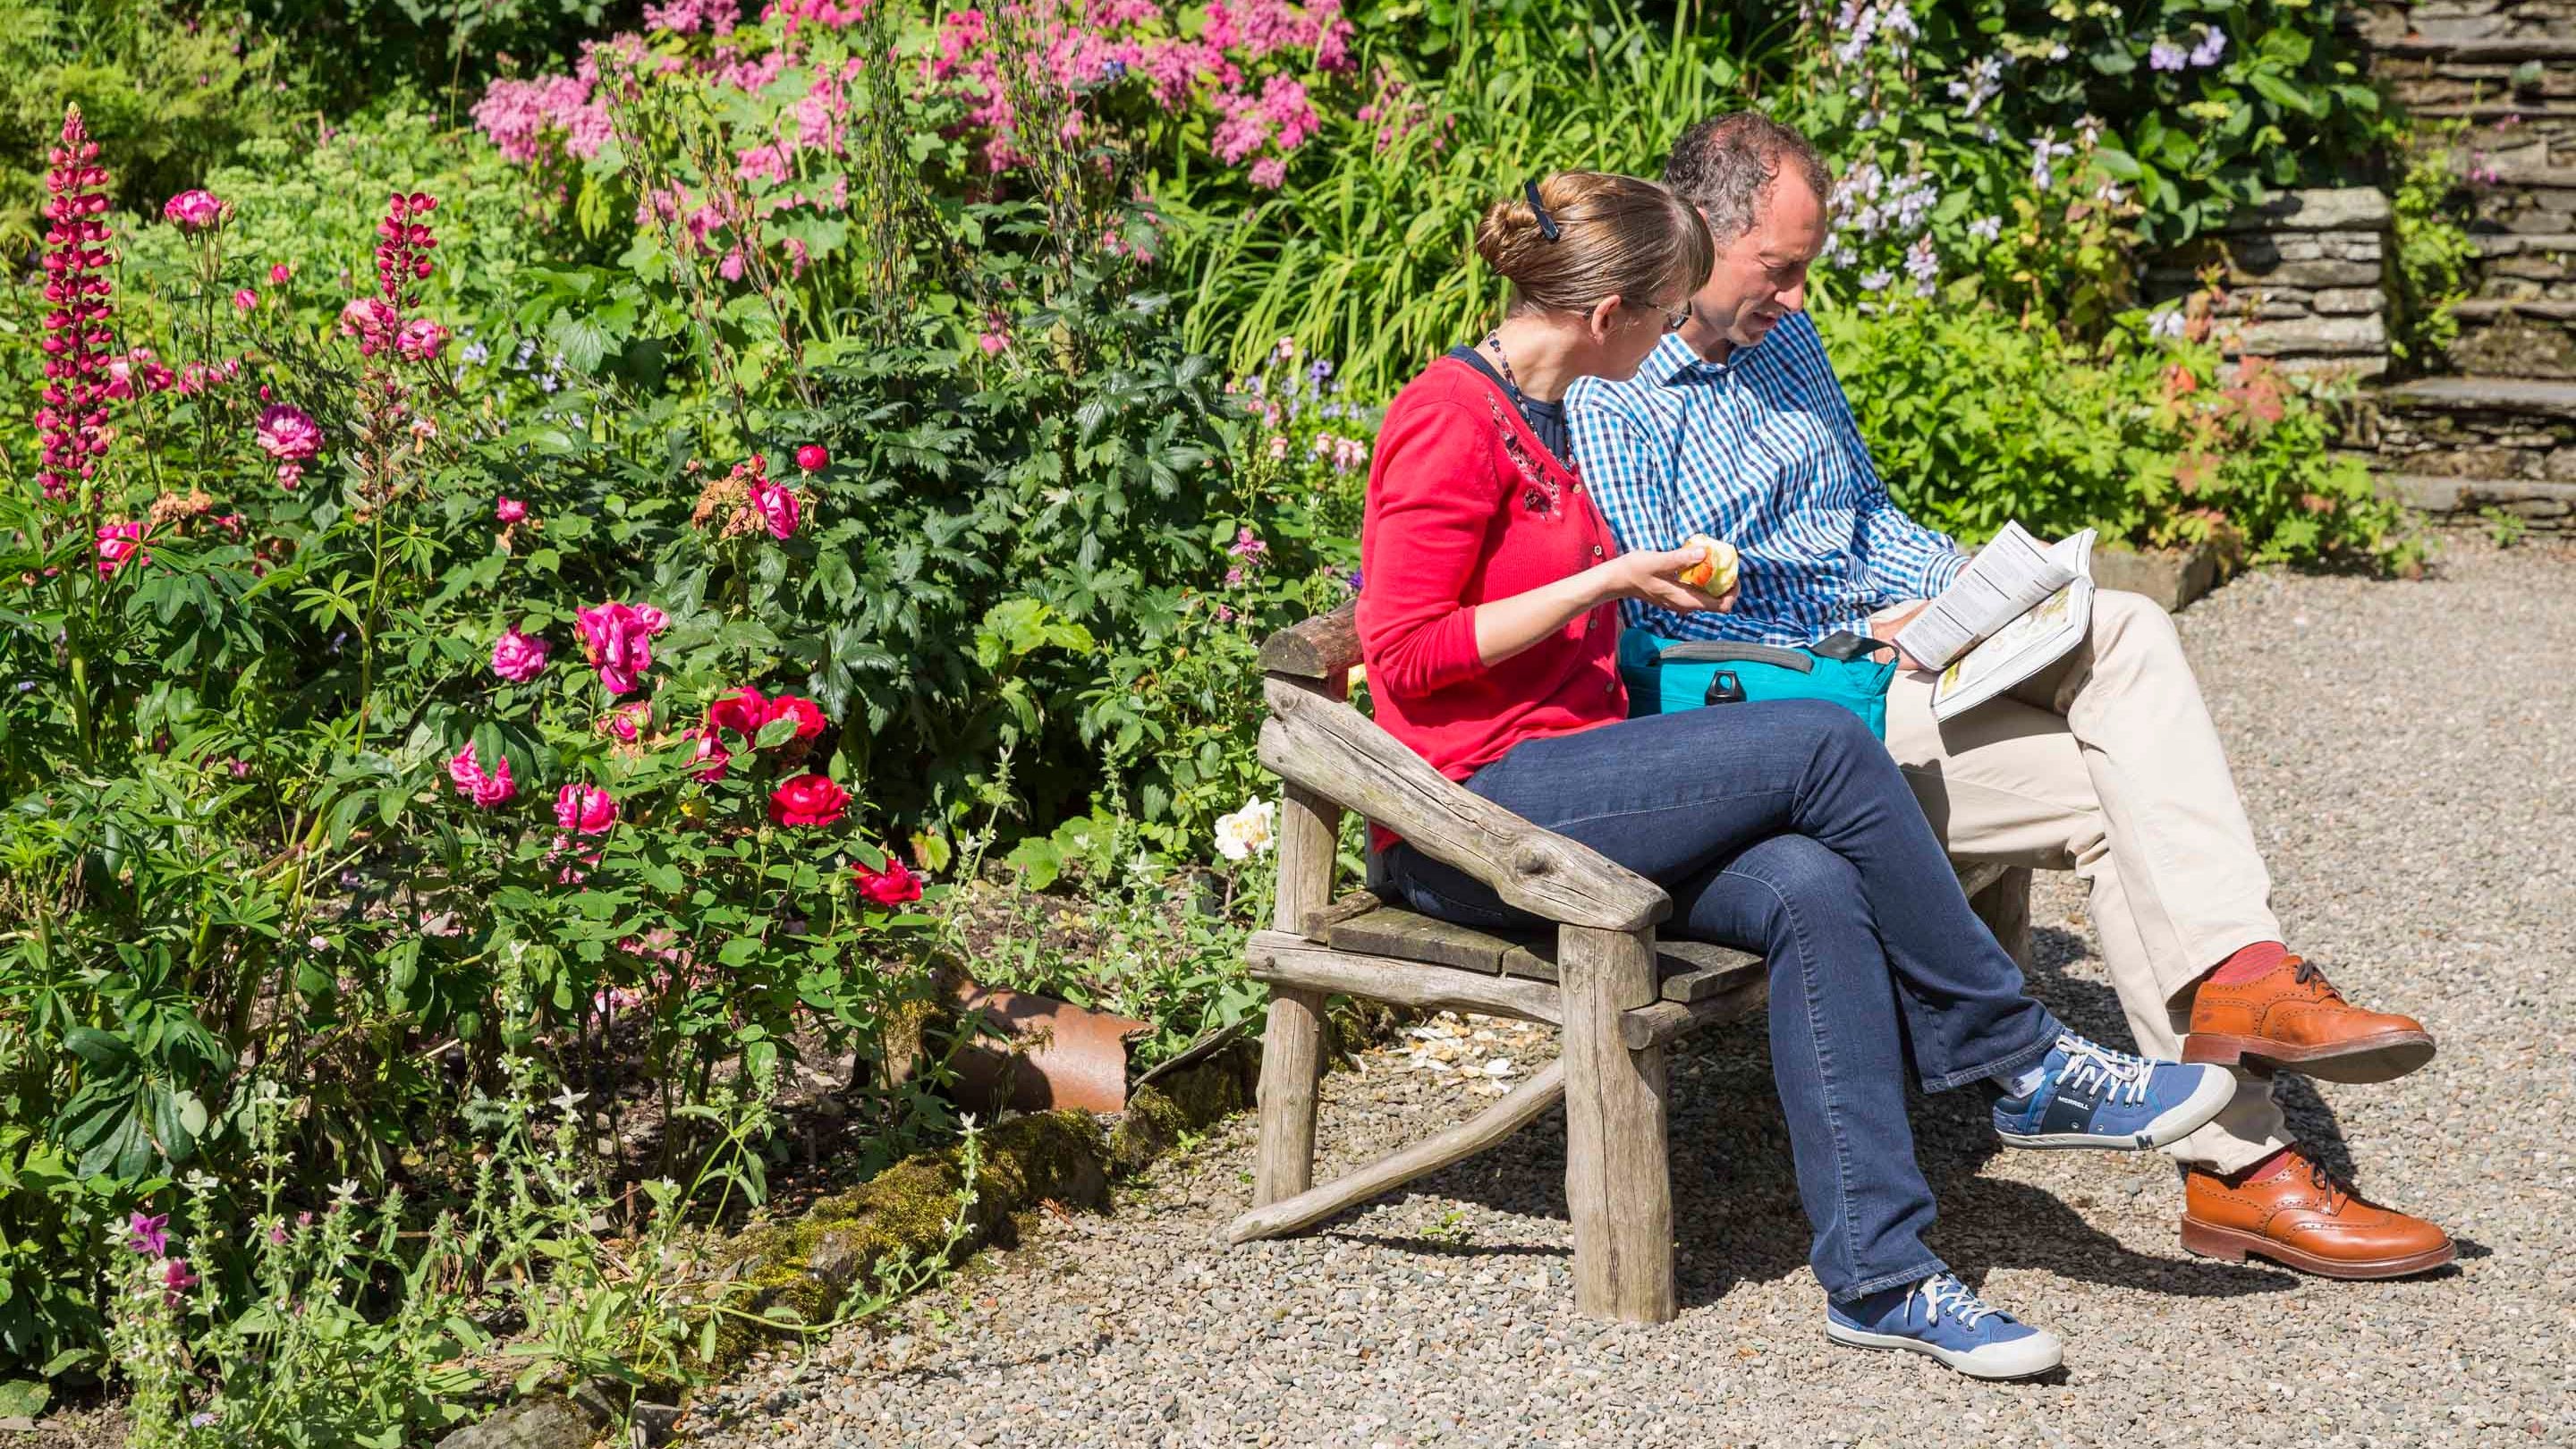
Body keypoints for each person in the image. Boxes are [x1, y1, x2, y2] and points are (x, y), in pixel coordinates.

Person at [1357, 170, 2238, 1380]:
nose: (1677, 333)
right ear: (1609, 313)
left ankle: (1881, 1275)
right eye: (1667, 310)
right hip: (1468, 819)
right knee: (1824, 742)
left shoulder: (1547, 407)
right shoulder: (1448, 417)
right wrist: (1603, 581)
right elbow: (1404, 653)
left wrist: (1650, 591)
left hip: (1574, 776)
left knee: (1813, 888)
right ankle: (2020, 1057)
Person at [1564, 113, 2454, 1281]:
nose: (1796, 295)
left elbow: (1868, 520)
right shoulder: (1618, 393)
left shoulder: (1787, 341)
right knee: (2124, 762)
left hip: (1900, 670)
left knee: (2122, 647)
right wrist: (1852, 637)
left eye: (1805, 268)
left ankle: (2246, 1040)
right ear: (1696, 234)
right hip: (1803, 719)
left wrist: (1982, 591)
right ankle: (2248, 1143)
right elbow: (1658, 633)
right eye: (1777, 268)